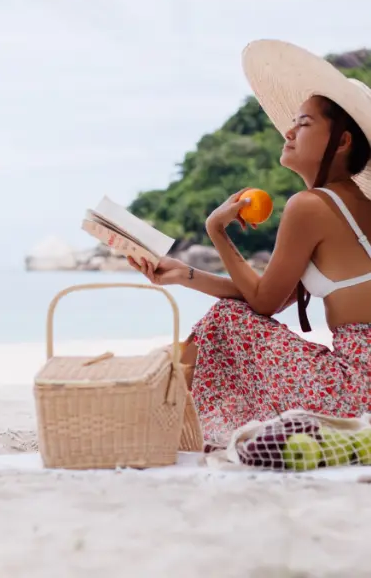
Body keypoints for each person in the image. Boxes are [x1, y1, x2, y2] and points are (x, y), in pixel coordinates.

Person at [129, 39, 371, 448]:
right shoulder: (356, 205)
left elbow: (260, 303)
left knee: (226, 320)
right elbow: (273, 297)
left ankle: (161, 410)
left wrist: (217, 232)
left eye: (305, 123)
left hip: (356, 389)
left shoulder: (310, 206)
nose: (289, 131)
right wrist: (186, 274)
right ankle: (163, 405)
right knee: (228, 315)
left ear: (343, 141)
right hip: (362, 383)